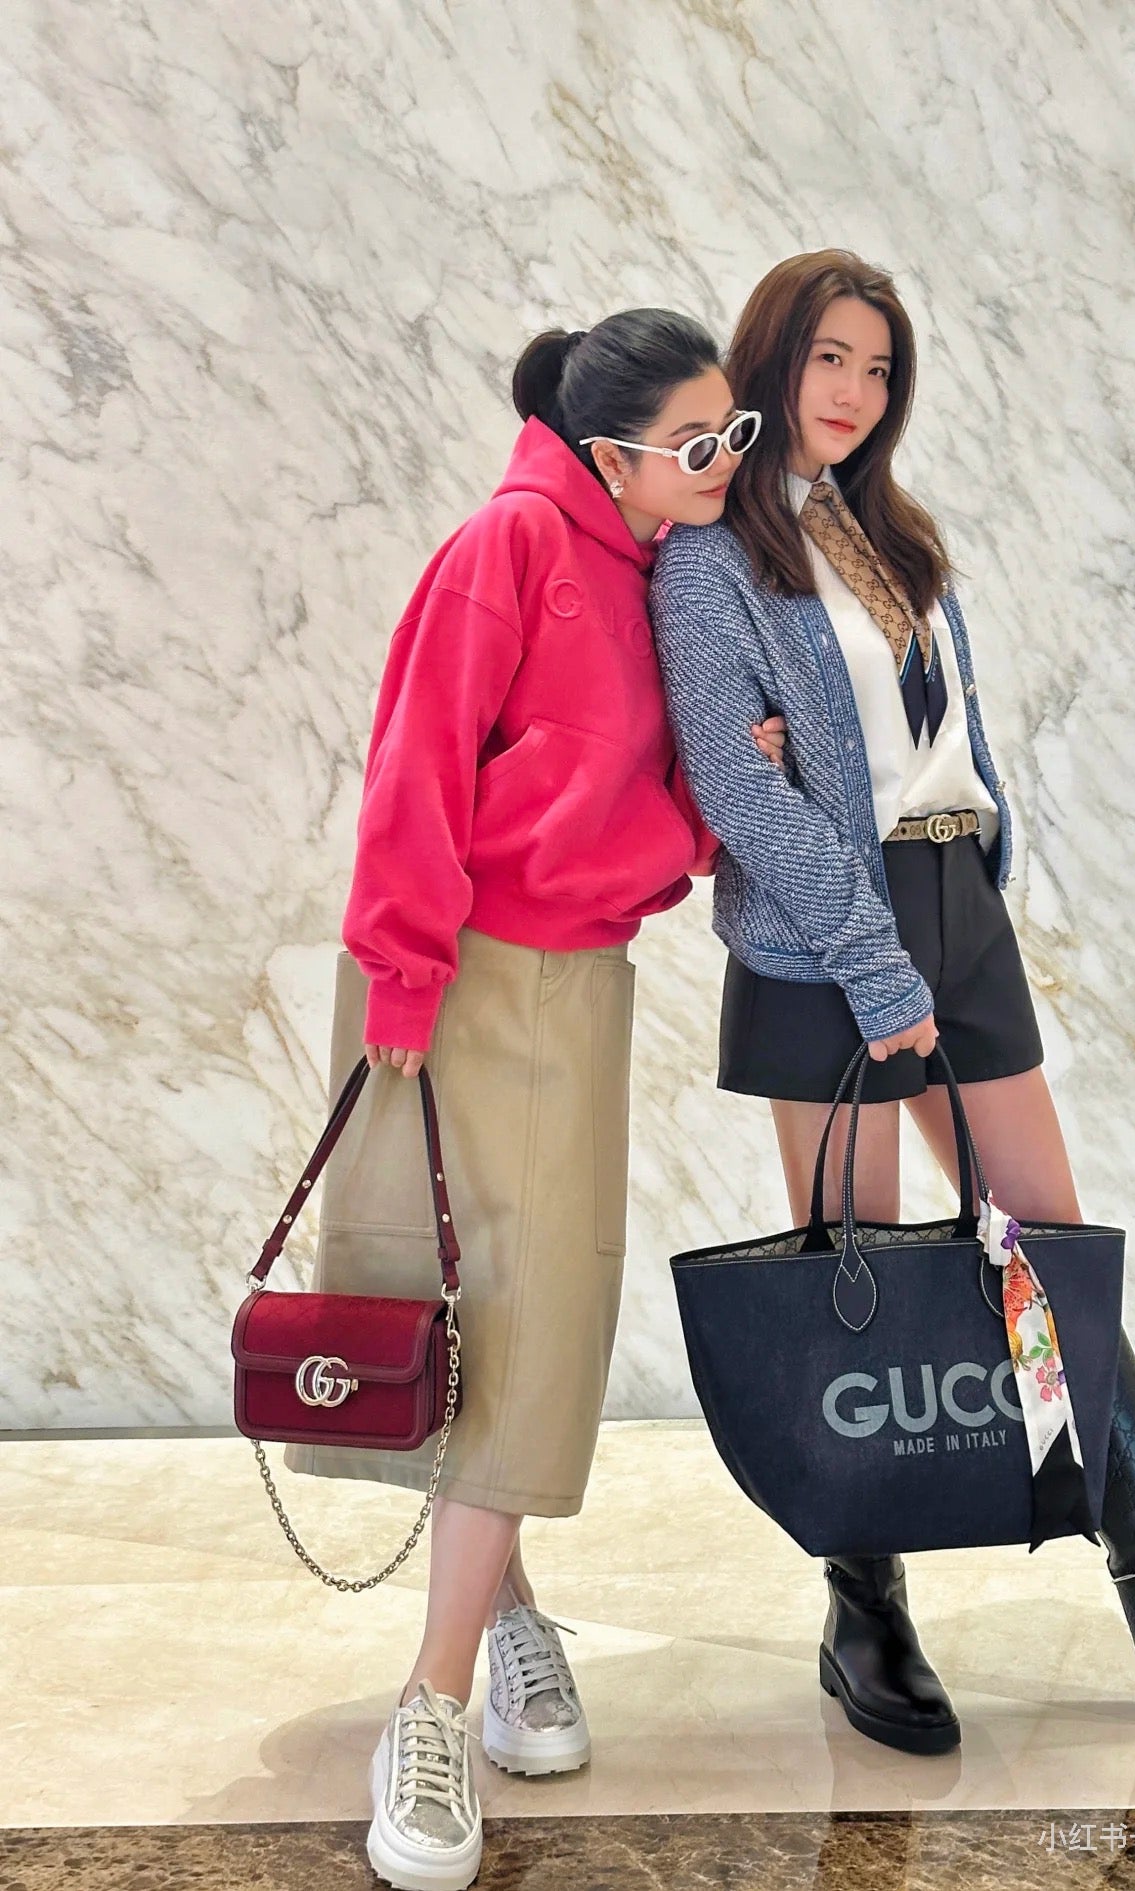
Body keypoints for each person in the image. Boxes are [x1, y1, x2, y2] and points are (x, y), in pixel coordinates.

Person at [649, 250, 1135, 1757]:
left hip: (951, 906)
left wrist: (962, 906)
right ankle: (867, 1618)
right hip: (821, 933)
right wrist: (873, 961)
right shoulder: (712, 557)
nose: (854, 391)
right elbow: (742, 788)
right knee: (852, 1271)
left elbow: (938, 745)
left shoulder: (886, 535)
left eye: (878, 368)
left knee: (1045, 1244)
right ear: (770, 357)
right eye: (830, 358)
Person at [286, 310, 777, 1891]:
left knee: (539, 1326)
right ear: (608, 451)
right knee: (449, 1314)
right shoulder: (506, 546)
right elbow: (417, 760)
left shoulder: (669, 575)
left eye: (733, 434)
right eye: (696, 440)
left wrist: (720, 791)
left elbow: (625, 798)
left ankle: (493, 1624)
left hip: (582, 980)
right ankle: (433, 1705)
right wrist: (404, 973)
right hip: (448, 978)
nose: (724, 460)